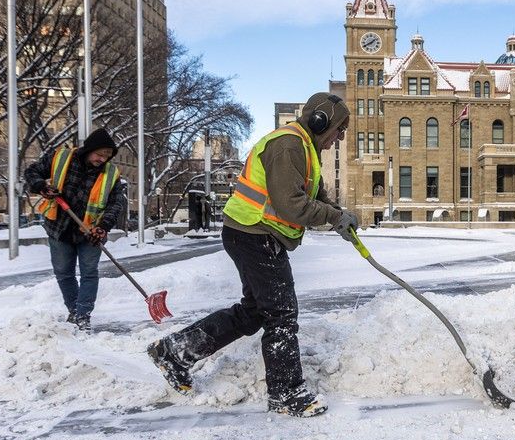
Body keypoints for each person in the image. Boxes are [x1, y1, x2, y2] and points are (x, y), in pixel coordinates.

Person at [147, 92, 359, 417]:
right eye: (339, 128)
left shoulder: (304, 148)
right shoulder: (289, 145)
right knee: (281, 315)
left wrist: (338, 213)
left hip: (254, 233)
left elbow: (314, 195)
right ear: (321, 121)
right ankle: (286, 393)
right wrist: (332, 218)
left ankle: (175, 351)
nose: (341, 136)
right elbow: (290, 203)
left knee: (255, 312)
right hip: (254, 233)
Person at [24, 128, 128, 331]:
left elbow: (116, 203)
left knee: (89, 273)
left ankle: (83, 316)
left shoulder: (111, 173)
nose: (102, 159)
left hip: (90, 231)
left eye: (107, 156)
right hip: (59, 227)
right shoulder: (60, 158)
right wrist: (41, 186)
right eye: (99, 154)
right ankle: (75, 311)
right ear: (89, 149)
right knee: (64, 272)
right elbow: (32, 172)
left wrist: (103, 226)